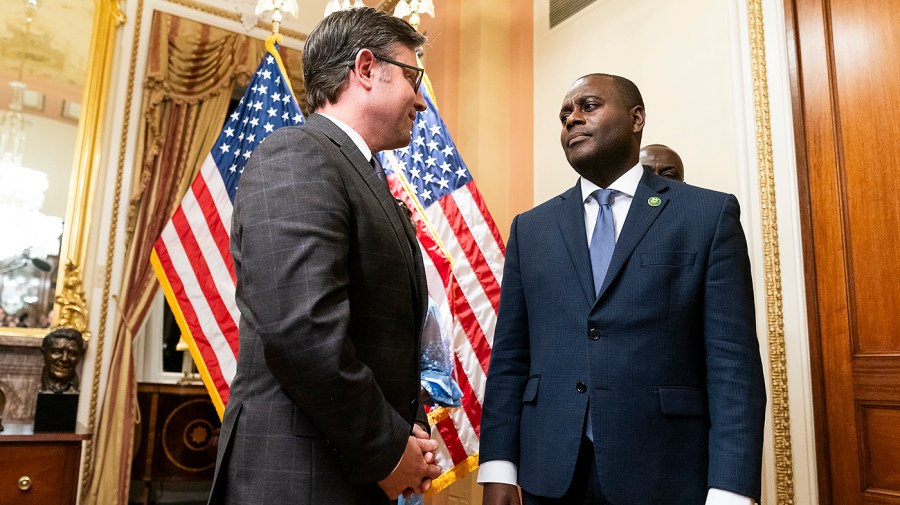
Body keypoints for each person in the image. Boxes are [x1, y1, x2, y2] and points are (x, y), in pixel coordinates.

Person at [478, 74, 766, 505]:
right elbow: (510, 358)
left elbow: (732, 364)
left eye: (588, 106)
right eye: (564, 115)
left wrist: (732, 489)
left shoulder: (707, 215)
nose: (572, 119)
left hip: (666, 475)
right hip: (550, 476)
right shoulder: (531, 229)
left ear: (637, 119)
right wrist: (498, 468)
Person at [208, 7, 441, 505]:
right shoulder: (298, 154)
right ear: (364, 69)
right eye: (413, 76)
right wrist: (387, 450)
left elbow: (383, 337)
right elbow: (303, 331)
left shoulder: (365, 175)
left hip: (349, 470)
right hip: (300, 476)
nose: (421, 101)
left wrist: (409, 436)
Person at [40, 328, 84, 393]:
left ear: (80, 356)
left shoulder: (85, 389)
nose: (64, 359)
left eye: (72, 353)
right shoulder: (30, 383)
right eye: (57, 352)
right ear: (43, 354)